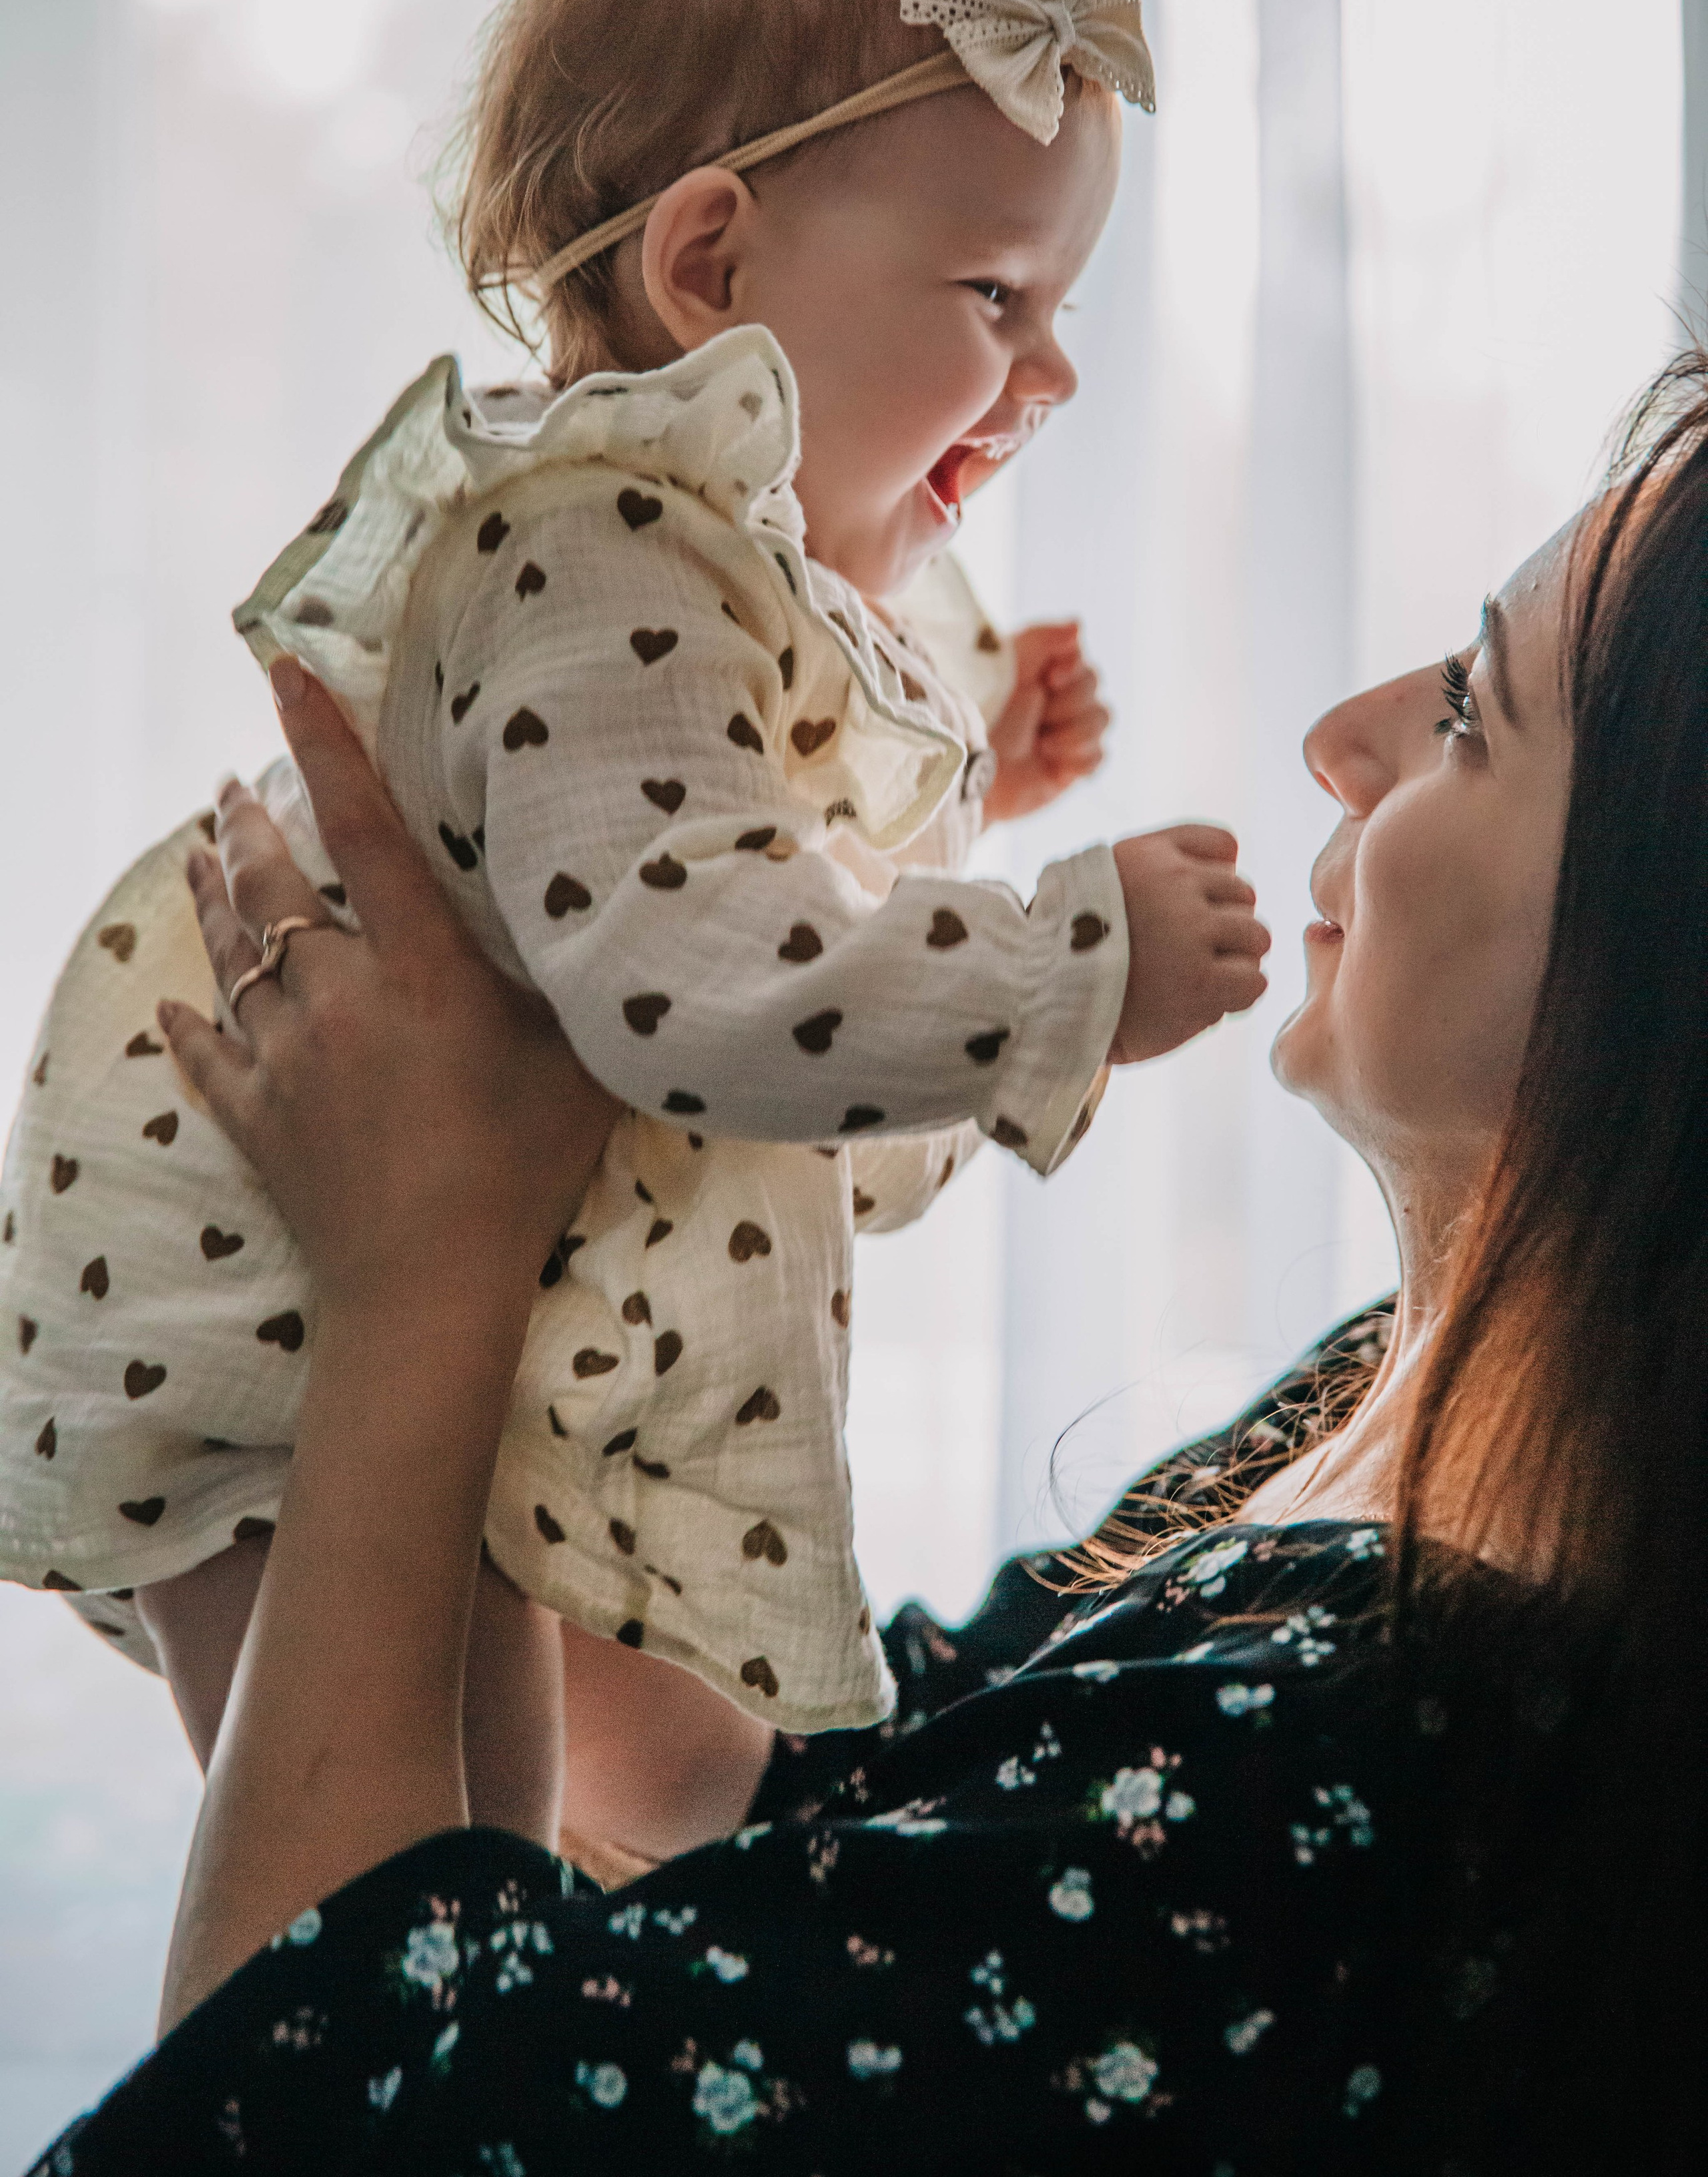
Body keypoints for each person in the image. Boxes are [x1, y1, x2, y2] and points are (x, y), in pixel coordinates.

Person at [30, 355, 1708, 2173]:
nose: (1346, 733)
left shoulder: (1364, 1781)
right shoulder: (1358, 1423)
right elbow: (807, 1795)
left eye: (1474, 710)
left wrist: (417, 1289)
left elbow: (299, 2131)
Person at [0, 0, 1271, 1881]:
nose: (1046, 373)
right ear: (710, 267)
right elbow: (704, 984)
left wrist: (966, 783)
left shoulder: (692, 551)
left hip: (441, 1230)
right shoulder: (596, 548)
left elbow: (711, 824)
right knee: (449, 1863)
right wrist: (1071, 963)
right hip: (273, 1288)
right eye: (995, 295)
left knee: (678, 1771)